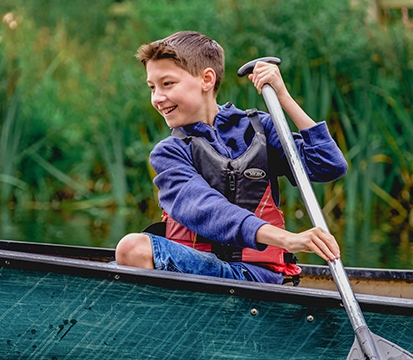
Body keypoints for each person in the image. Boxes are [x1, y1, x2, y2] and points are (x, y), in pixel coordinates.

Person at [115, 31, 348, 284]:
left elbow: (328, 166)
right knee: (130, 253)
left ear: (206, 79)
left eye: (167, 84)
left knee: (131, 251)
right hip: (196, 271)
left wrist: (283, 97)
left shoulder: (259, 129)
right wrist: (287, 238)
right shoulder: (169, 152)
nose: (157, 98)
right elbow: (207, 209)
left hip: (261, 276)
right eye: (152, 87)